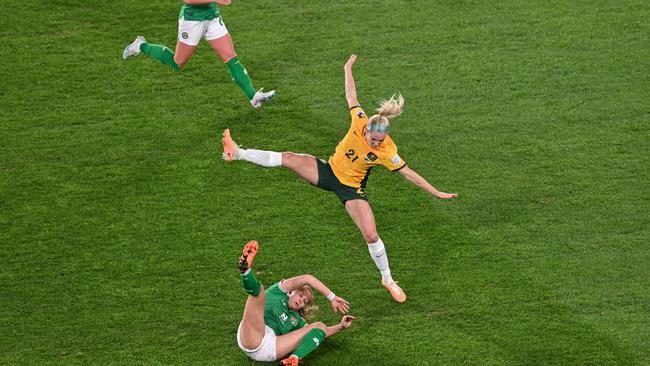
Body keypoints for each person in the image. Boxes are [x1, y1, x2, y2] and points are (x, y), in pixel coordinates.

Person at [222, 54, 458, 303]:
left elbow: (409, 174)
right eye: (373, 140)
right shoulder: (360, 121)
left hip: (351, 189)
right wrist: (347, 68)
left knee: (371, 234)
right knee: (290, 157)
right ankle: (236, 152)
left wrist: (436, 192)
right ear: (366, 129)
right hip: (328, 172)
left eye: (380, 141)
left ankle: (387, 279)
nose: (376, 144)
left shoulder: (388, 151)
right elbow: (351, 95)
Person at [121, 0, 275, 108]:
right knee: (178, 62)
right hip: (192, 20)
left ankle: (253, 96)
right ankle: (140, 45)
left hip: (212, 17)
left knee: (231, 57)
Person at [236, 240, 355, 365]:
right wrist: (332, 297)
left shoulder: (296, 320)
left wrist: (340, 327)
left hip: (270, 348)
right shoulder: (276, 293)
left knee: (319, 325)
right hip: (251, 336)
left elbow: (321, 332)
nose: (301, 300)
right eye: (301, 295)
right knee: (260, 293)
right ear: (290, 292)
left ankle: (293, 360)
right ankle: (245, 271)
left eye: (305, 301)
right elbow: (307, 278)